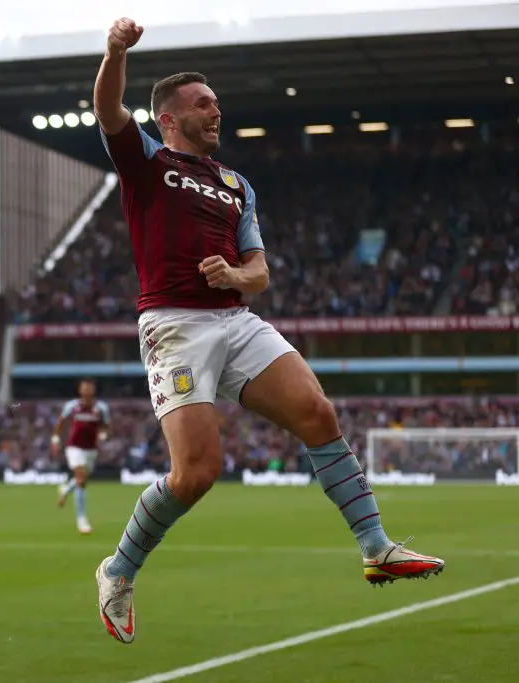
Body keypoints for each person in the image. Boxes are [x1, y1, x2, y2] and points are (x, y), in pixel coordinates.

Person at [92, 17, 444, 645]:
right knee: (196, 472)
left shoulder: (237, 186)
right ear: (169, 118)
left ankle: (376, 548)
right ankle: (118, 570)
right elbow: (107, 107)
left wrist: (234, 272)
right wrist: (116, 52)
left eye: (217, 102)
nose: (215, 110)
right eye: (203, 103)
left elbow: (260, 274)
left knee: (317, 411)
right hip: (175, 325)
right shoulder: (148, 160)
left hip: (236, 319)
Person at [51, 378, 110, 534]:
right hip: (74, 448)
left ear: (94, 390)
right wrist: (56, 440)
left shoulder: (101, 408)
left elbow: (107, 427)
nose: (87, 390)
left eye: (90, 387)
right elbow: (60, 423)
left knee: (80, 480)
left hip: (91, 449)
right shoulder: (72, 406)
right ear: (80, 390)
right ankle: (82, 520)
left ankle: (65, 489)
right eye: (85, 388)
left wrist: (103, 436)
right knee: (81, 478)